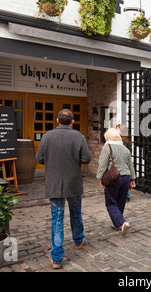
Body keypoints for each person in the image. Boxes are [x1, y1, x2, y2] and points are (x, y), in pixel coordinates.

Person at [36, 109, 92, 269]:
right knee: (76, 212)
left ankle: (57, 258)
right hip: (73, 182)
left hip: (54, 182)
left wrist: (52, 162)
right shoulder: (78, 136)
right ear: (72, 121)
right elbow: (87, 158)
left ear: (57, 120)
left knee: (57, 218)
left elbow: (39, 158)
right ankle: (78, 239)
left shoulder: (47, 136)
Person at [97, 128, 136, 236]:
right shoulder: (125, 149)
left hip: (114, 178)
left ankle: (122, 223)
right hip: (126, 177)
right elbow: (130, 165)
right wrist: (132, 179)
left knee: (110, 202)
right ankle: (116, 223)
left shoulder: (107, 147)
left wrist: (100, 177)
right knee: (121, 200)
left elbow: (103, 164)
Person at [116, 124, 132, 201]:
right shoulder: (126, 139)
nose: (116, 131)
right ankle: (126, 194)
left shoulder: (123, 141)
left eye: (118, 129)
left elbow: (121, 151)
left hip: (124, 161)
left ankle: (125, 195)